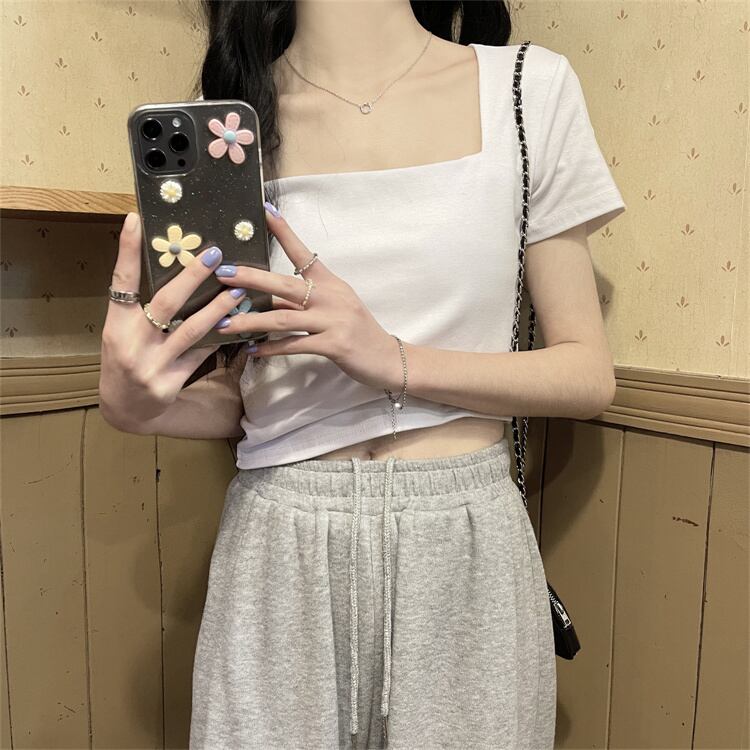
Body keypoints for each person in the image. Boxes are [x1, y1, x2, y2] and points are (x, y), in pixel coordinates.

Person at [100, 1, 626, 748]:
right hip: (278, 545)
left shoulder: (525, 90)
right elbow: (257, 395)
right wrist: (139, 407)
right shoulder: (230, 126)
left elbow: (586, 372)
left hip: (463, 545)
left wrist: (391, 359)